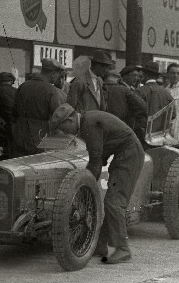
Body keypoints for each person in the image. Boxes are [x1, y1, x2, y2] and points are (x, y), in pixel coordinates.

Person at [50, 104, 142, 265]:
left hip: (130, 155)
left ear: (70, 120)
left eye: (64, 128)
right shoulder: (88, 121)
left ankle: (123, 249)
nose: (66, 133)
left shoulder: (89, 125)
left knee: (114, 202)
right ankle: (100, 245)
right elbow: (100, 154)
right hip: (124, 154)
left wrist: (83, 187)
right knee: (110, 202)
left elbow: (95, 162)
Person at [11, 59, 67, 157]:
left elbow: (14, 112)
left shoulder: (23, 86)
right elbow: (58, 118)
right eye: (57, 75)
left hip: (19, 136)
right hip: (39, 138)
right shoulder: (51, 90)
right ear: (53, 74)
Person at [119, 66, 150, 141]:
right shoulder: (122, 89)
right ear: (125, 76)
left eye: (137, 76)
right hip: (126, 127)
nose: (136, 78)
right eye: (134, 75)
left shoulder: (132, 89)